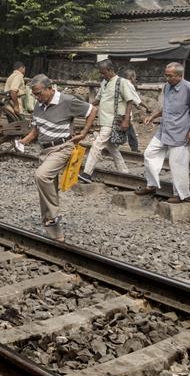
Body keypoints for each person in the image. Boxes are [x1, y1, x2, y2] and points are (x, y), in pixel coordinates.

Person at [17, 74, 96, 241]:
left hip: (62, 147)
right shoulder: (39, 106)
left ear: (49, 89)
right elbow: (35, 132)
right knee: (47, 188)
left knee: (41, 175)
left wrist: (83, 133)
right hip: (44, 151)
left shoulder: (67, 101)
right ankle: (55, 234)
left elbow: (92, 110)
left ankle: (54, 214)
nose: (36, 97)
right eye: (34, 94)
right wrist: (22, 142)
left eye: (38, 93)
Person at [137, 63, 190, 203]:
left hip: (180, 131)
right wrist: (153, 116)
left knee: (177, 164)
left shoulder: (189, 88)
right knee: (149, 153)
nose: (167, 78)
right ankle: (151, 185)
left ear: (179, 75)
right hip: (164, 129)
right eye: (166, 75)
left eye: (169, 76)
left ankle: (182, 195)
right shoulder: (167, 87)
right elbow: (166, 108)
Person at [78, 59, 140, 183]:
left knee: (97, 145)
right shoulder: (104, 83)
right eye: (100, 73)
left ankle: (87, 173)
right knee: (113, 148)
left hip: (114, 121)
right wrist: (85, 107)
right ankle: (124, 172)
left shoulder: (122, 82)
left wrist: (126, 120)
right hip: (104, 120)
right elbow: (98, 99)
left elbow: (130, 101)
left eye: (103, 73)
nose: (102, 76)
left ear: (110, 70)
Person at [124, 69, 141, 152]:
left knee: (127, 129)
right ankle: (134, 147)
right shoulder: (129, 85)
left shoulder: (122, 83)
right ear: (132, 77)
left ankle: (134, 147)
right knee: (130, 129)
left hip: (120, 110)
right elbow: (135, 99)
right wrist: (144, 107)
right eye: (135, 77)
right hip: (126, 111)